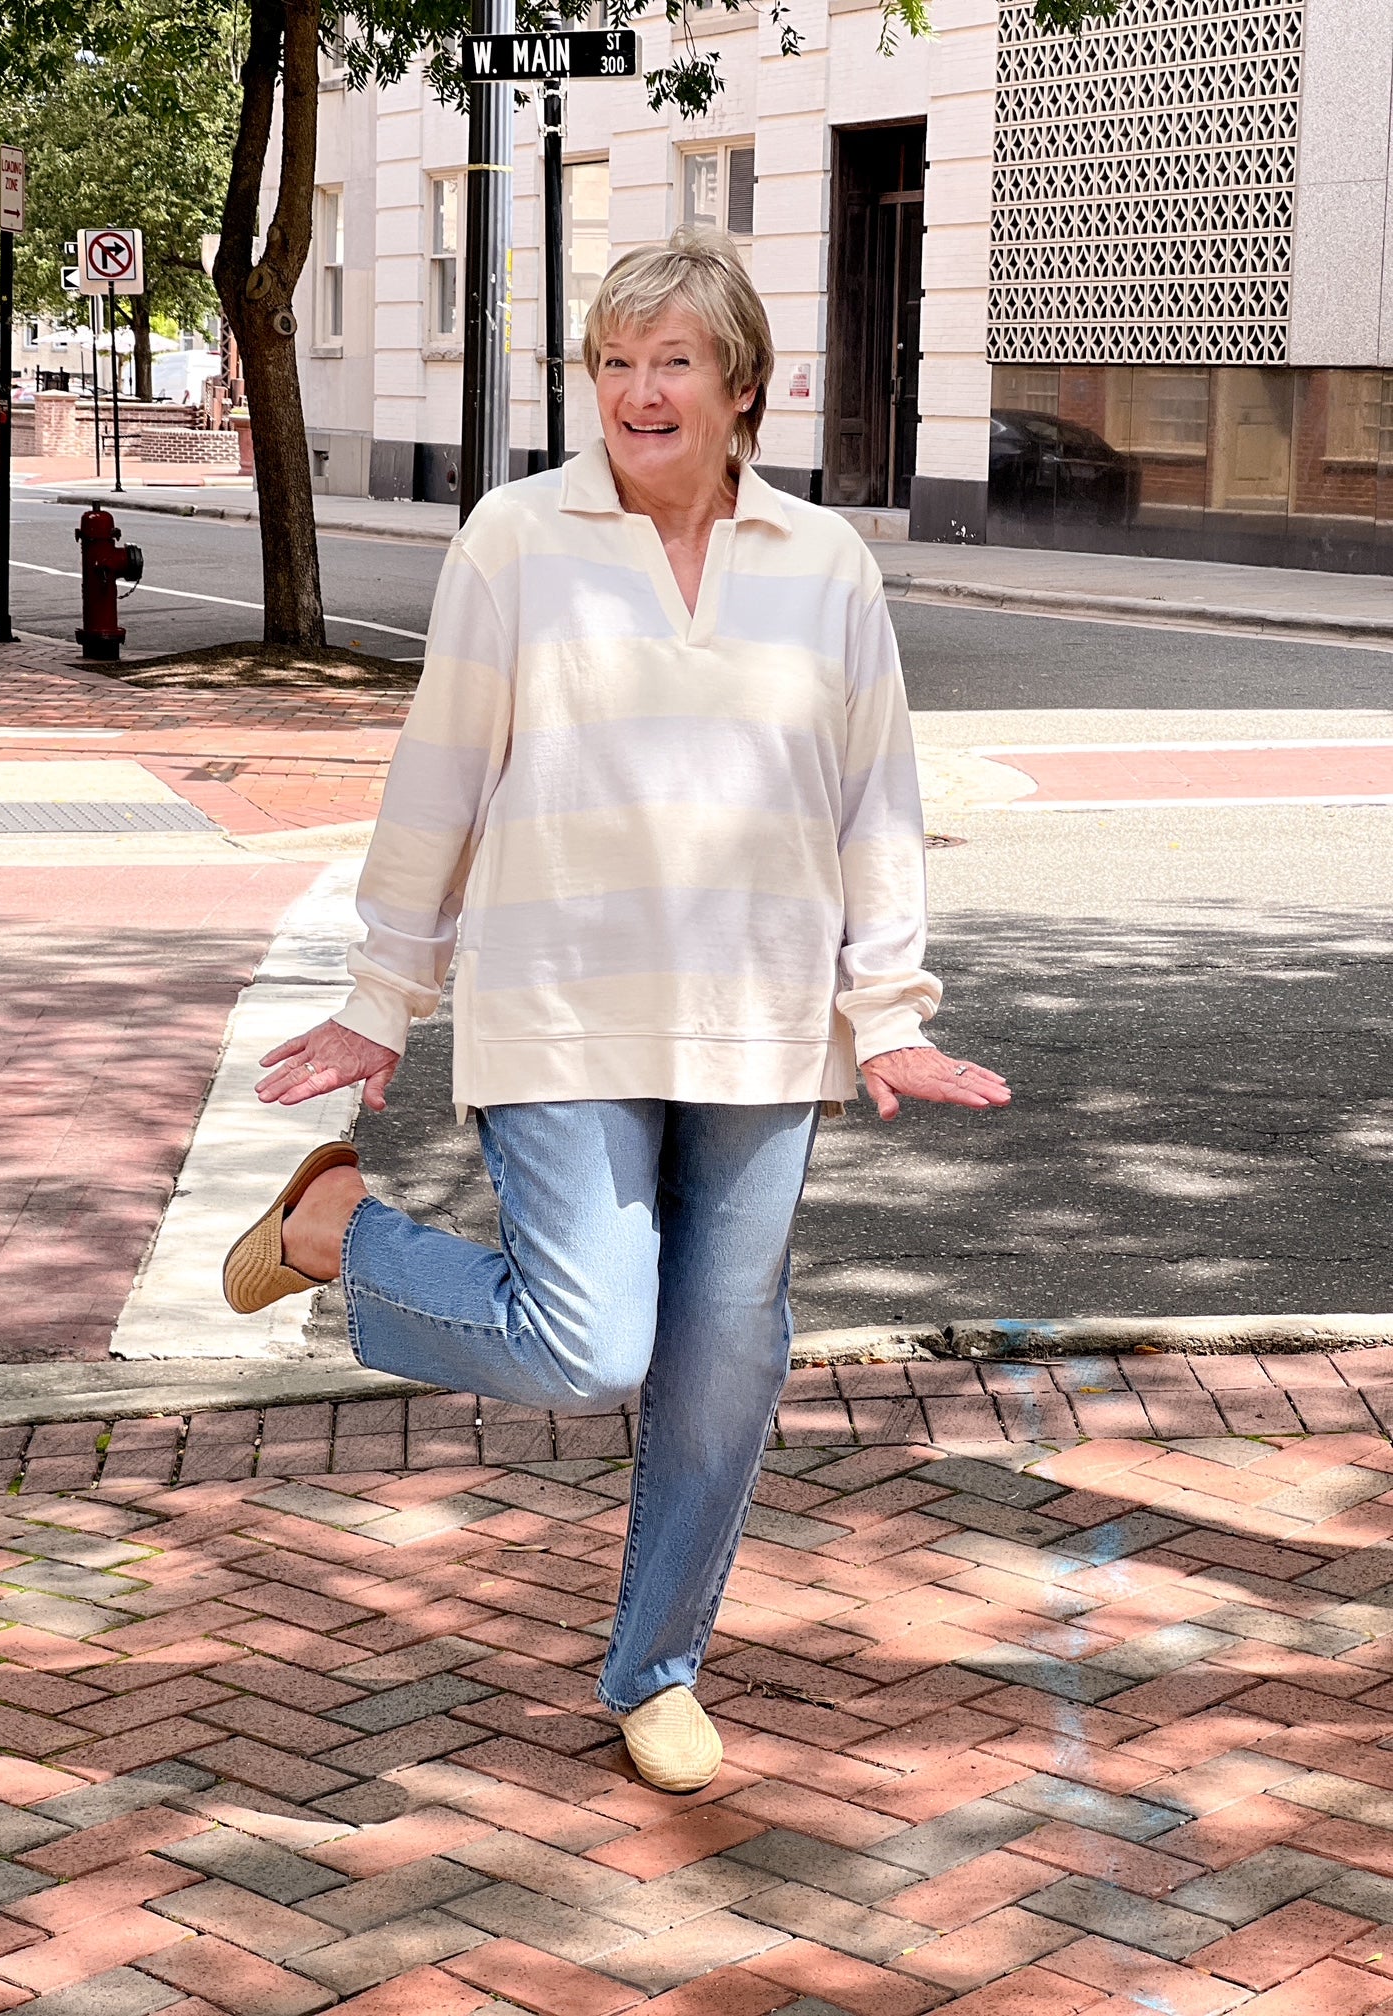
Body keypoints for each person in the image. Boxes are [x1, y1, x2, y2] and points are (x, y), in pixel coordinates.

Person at [222, 228, 1010, 1794]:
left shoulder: (827, 567)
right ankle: (336, 1234)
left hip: (762, 1018)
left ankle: (657, 1671)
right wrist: (385, 996)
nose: (638, 391)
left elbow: (876, 804)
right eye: (613, 361)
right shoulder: (517, 542)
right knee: (591, 1344)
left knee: (726, 1361)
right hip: (561, 1004)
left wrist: (892, 1005)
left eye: (673, 362)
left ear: (741, 393)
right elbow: (438, 777)